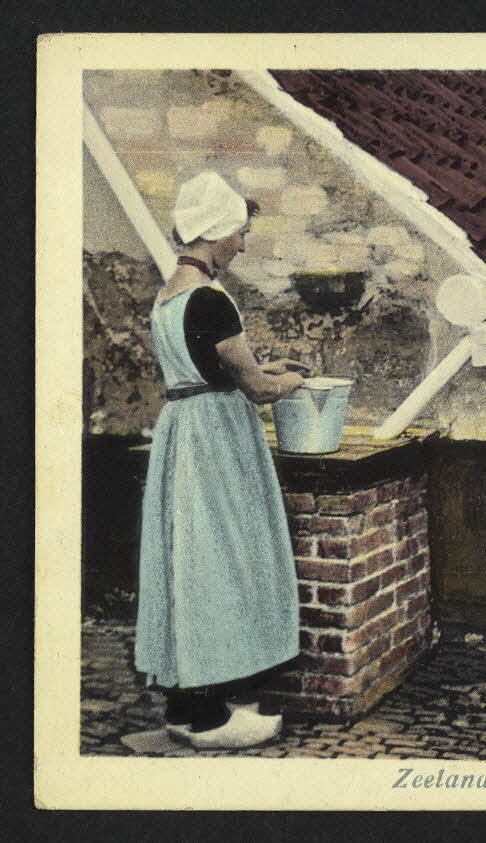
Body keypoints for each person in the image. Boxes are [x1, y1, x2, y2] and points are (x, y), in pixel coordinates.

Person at [135, 171, 309, 748]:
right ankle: (209, 717)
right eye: (239, 232)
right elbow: (254, 387)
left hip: (182, 430)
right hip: (215, 437)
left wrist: (263, 376)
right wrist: (291, 378)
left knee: (188, 558)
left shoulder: (166, 297)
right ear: (217, 234)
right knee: (220, 560)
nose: (242, 243)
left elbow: (210, 368)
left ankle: (187, 707)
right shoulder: (210, 299)